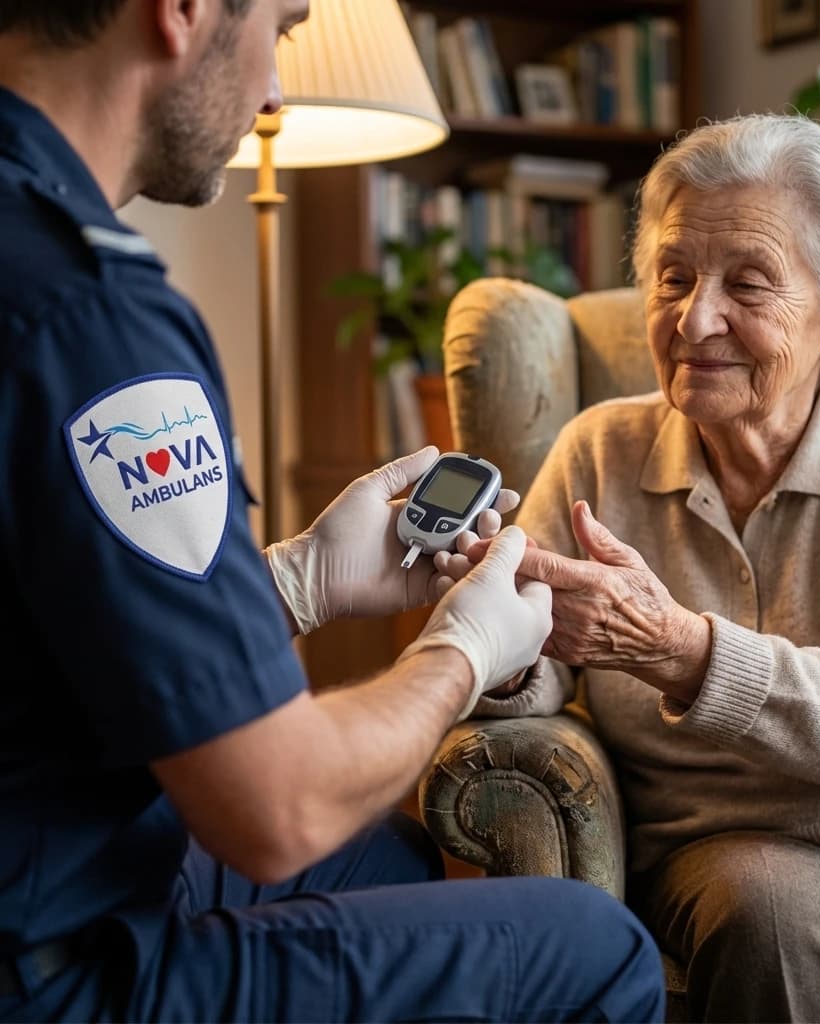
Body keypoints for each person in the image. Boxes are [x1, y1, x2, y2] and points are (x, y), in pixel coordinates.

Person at [0, 2, 667, 1021]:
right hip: (57, 964)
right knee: (598, 949)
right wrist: (463, 648)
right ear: (181, 13)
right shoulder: (97, 320)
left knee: (388, 854)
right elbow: (278, 807)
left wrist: (300, 578)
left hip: (42, 841)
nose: (273, 91)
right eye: (281, 24)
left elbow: (57, 624)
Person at [450, 113, 820, 1022]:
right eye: (673, 277)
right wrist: (509, 643)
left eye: (747, 284)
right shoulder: (598, 451)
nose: (694, 317)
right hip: (732, 834)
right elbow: (528, 685)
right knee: (769, 922)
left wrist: (674, 646)